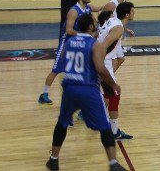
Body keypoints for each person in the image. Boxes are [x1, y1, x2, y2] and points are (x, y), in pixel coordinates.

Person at [45, 13, 127, 171]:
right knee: (104, 126)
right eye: (94, 23)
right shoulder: (94, 44)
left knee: (62, 123)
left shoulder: (68, 42)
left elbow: (62, 61)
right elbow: (100, 68)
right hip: (88, 88)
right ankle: (113, 164)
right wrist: (113, 83)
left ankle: (53, 160)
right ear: (90, 26)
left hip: (69, 88)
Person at [39, 0, 102, 105]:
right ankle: (44, 94)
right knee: (57, 69)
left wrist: (110, 7)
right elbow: (69, 30)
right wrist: (86, 35)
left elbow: (99, 8)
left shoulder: (87, 8)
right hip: (66, 42)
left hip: (78, 42)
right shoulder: (74, 11)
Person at [97, 1, 135, 140]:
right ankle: (114, 132)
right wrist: (99, 62)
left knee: (107, 94)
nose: (134, 12)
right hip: (103, 61)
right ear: (127, 14)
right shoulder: (118, 27)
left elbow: (98, 35)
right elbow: (104, 45)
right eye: (133, 10)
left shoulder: (113, 20)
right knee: (114, 93)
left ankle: (107, 125)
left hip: (101, 59)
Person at [101, 0, 134, 72]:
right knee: (114, 61)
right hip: (107, 36)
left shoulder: (122, 6)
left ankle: (109, 77)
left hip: (116, 35)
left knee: (121, 59)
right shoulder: (112, 5)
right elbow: (100, 18)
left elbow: (118, 22)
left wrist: (126, 30)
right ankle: (106, 79)